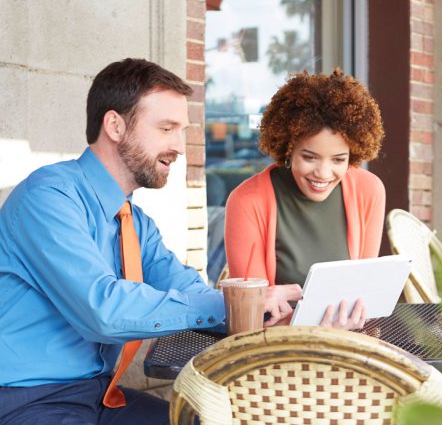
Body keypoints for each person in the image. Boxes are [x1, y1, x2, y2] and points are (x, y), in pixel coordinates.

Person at [0, 58, 301, 424]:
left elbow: (188, 287)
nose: (178, 146)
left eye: (181, 130)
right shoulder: (47, 197)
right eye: (166, 128)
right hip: (29, 400)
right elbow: (104, 311)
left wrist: (261, 310)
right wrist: (229, 306)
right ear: (115, 125)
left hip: (99, 395)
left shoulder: (135, 222)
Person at [224, 69, 386, 330]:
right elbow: (252, 316)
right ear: (288, 148)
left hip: (350, 345)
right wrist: (311, 325)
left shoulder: (369, 191)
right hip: (276, 354)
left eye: (338, 160)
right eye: (309, 157)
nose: (323, 173)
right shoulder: (247, 202)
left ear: (354, 155)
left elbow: (362, 295)